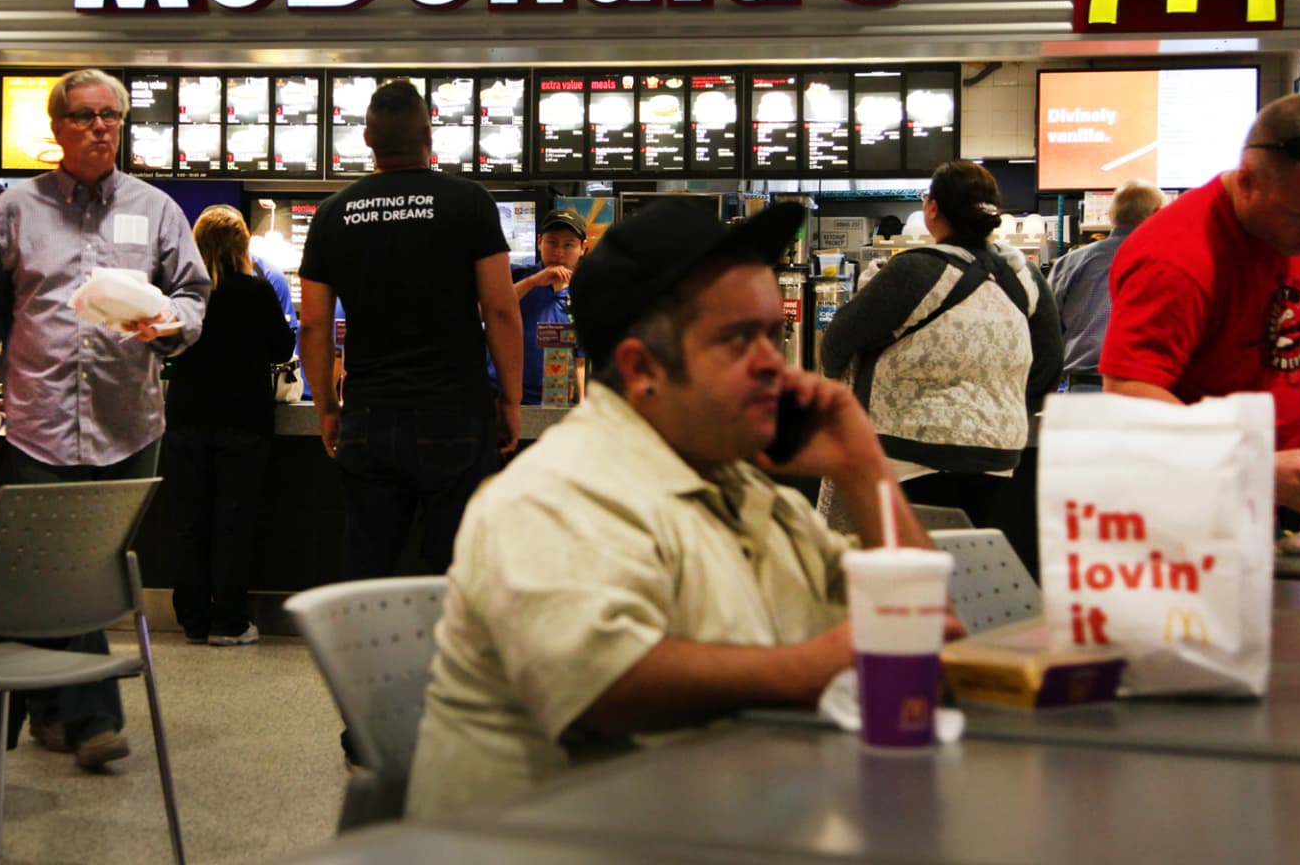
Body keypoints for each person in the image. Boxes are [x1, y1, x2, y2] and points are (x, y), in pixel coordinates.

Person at [403, 200, 938, 819]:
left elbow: (923, 628)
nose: (774, 364)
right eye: (739, 340)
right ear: (642, 369)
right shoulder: (554, 494)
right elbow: (609, 681)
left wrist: (862, 466)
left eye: (772, 336)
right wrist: (820, 664)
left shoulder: (744, 490)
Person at [0, 67, 210, 770]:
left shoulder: (156, 208)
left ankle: (48, 709)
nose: (100, 127)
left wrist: (173, 323)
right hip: (38, 418)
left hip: (128, 421)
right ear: (57, 128)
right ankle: (95, 718)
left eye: (111, 116)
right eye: (85, 116)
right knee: (67, 561)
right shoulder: (16, 209)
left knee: (82, 562)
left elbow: (193, 294)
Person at [1102, 93, 1300, 522]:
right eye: (1299, 217)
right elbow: (1129, 394)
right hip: (1171, 507)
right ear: (1247, 181)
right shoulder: (1174, 257)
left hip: (1253, 499)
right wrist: (1252, 466)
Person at [297, 79, 523, 579]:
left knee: (367, 571)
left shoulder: (333, 214)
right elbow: (501, 311)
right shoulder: (469, 202)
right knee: (458, 573)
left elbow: (313, 325)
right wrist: (509, 399)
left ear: (366, 140)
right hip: (456, 414)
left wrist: (327, 409)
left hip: (369, 416)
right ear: (429, 135)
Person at [816, 160, 1062, 536]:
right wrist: (1000, 410)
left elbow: (837, 341)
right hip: (996, 455)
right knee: (964, 554)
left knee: (910, 559)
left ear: (932, 209)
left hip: (910, 450)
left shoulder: (914, 270)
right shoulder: (1022, 276)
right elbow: (1049, 363)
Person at [165, 205, 298, 646]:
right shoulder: (257, 290)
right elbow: (282, 348)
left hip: (186, 417)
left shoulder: (183, 294)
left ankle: (192, 620)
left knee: (189, 521)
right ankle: (229, 621)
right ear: (243, 246)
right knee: (233, 521)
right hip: (243, 419)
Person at [1048, 180, 1164, 392]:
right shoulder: (1171, 263)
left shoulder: (1071, 263)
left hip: (1083, 389)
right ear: (1158, 214)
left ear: (1111, 216)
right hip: (1149, 389)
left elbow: (1047, 326)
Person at [506, 207, 586, 405]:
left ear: (582, 248)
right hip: (505, 397)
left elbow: (581, 361)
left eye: (569, 245)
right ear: (539, 241)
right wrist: (532, 282)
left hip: (557, 401)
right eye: (552, 242)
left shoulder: (587, 295)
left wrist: (582, 405)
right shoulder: (515, 277)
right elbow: (485, 310)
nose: (559, 252)